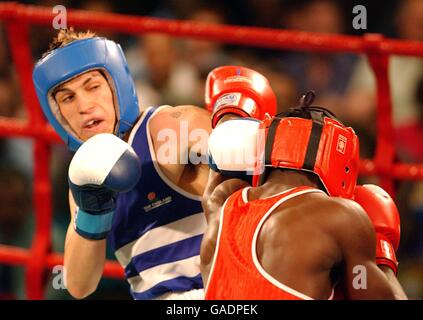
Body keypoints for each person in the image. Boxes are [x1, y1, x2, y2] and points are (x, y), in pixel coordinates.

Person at [32, 28, 276, 299]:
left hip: (220, 294)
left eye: (93, 86)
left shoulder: (166, 128)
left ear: (117, 84)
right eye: (68, 98)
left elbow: (254, 157)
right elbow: (79, 285)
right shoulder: (84, 176)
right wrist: (92, 211)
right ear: (57, 114)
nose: (84, 105)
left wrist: (236, 123)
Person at [201, 92, 408, 299]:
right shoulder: (343, 217)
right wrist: (383, 251)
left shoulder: (220, 205)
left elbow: (219, 152)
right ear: (340, 156)